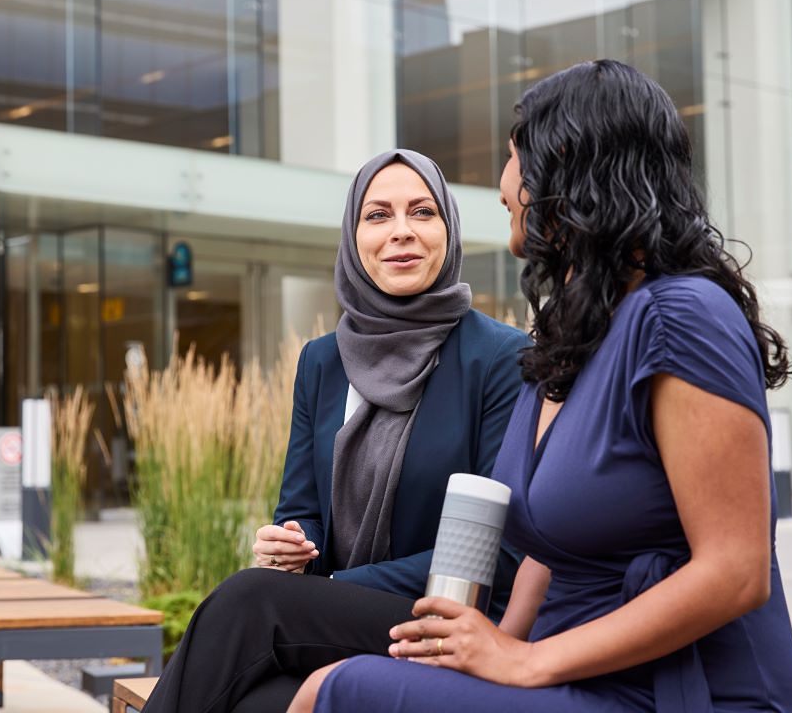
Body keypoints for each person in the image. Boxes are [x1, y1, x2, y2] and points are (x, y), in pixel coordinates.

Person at [290, 60, 792, 713]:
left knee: (331, 692)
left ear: (563, 169)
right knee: (307, 677)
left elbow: (736, 571)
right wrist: (486, 651)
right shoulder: (573, 337)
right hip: (571, 672)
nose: (502, 185)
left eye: (511, 158)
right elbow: (548, 548)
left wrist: (527, 660)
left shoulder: (680, 316)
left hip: (680, 691)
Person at [141, 149, 530, 713]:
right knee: (254, 701)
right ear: (353, 236)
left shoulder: (498, 357)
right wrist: (289, 554)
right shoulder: (323, 361)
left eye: (422, 212)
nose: (401, 232)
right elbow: (301, 516)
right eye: (378, 216)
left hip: (446, 617)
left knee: (250, 600)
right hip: (326, 615)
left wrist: (324, 589)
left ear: (449, 229)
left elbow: (495, 553)